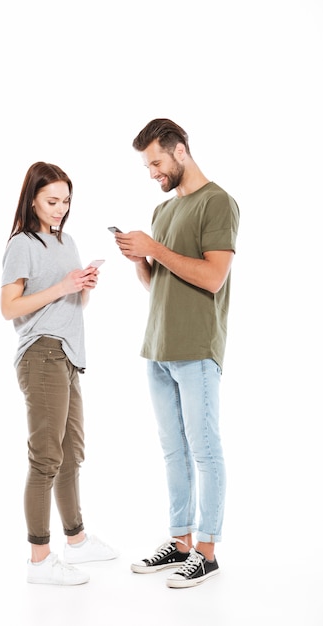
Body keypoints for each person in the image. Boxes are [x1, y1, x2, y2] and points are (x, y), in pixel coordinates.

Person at [113, 119, 239, 588]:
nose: (152, 173)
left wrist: (155, 249)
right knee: (173, 451)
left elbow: (213, 277)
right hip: (158, 348)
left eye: (157, 162)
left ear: (180, 151)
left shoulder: (218, 202)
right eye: (148, 165)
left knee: (205, 450)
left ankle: (207, 550)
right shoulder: (163, 211)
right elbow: (156, 285)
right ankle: (181, 541)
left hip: (197, 347)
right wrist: (141, 260)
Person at [1, 161, 118, 586]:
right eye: (52, 200)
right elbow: (9, 307)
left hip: (69, 355)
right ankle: (38, 560)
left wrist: (82, 288)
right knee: (47, 457)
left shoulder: (67, 241)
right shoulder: (22, 243)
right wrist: (62, 287)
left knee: (73, 454)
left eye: (66, 201)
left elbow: (70, 306)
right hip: (41, 355)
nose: (60, 208)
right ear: (32, 198)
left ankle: (78, 540)